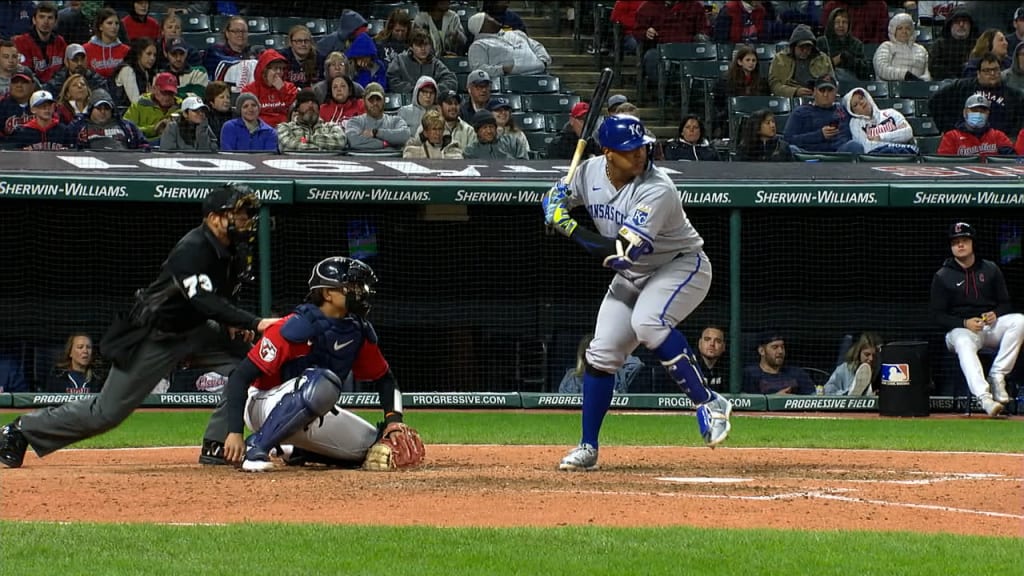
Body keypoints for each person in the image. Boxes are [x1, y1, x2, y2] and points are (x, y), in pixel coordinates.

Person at [0, 184, 280, 469]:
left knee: (249, 364)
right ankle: (21, 431)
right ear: (214, 218)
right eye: (240, 212)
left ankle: (217, 443)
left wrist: (231, 323)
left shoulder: (234, 251)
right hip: (154, 334)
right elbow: (203, 299)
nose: (247, 219)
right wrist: (253, 322)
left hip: (197, 330)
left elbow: (220, 298)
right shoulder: (193, 247)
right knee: (106, 414)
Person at [542, 114, 733, 471]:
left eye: (642, 148)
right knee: (602, 354)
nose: (640, 156)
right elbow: (560, 194)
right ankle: (588, 447)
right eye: (630, 151)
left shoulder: (656, 188)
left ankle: (708, 402)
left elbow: (621, 251)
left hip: (680, 265)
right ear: (608, 153)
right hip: (634, 275)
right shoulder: (587, 172)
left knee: (648, 323)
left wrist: (566, 225)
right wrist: (554, 200)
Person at [210, 256, 411, 471]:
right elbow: (240, 377)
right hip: (263, 404)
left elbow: (385, 379)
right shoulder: (294, 327)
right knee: (322, 382)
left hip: (315, 412)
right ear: (327, 293)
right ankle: (257, 447)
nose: (360, 292)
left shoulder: (357, 331)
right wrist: (234, 432)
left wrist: (393, 420)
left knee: (374, 448)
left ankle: (295, 450)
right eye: (350, 286)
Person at [929, 221, 1022, 417]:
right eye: (955, 242)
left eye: (964, 240)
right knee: (963, 340)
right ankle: (984, 398)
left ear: (972, 243)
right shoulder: (943, 275)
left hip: (988, 327)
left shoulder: (990, 269)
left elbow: (1006, 303)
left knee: (1020, 321)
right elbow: (936, 316)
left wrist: (995, 314)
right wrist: (964, 323)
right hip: (960, 332)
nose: (960, 245)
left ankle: (997, 375)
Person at [929, 52, 1024, 136]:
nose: (992, 73)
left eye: (995, 70)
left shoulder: (1013, 95)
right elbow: (934, 101)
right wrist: (949, 129)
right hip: (966, 142)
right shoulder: (962, 87)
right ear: (978, 73)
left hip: (999, 143)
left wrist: (1013, 136)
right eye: (987, 70)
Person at [783, 75, 863, 154]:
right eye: (822, 90)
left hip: (838, 155)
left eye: (830, 90)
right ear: (814, 92)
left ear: (836, 92)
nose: (825, 95)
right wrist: (819, 135)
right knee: (791, 149)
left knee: (855, 146)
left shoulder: (844, 110)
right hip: (809, 156)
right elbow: (788, 139)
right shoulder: (800, 112)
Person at [466, 12, 551, 77]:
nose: (494, 19)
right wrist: (503, 69)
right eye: (490, 19)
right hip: (512, 80)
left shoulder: (516, 33)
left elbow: (537, 46)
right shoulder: (479, 45)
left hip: (540, 73)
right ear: (482, 26)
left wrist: (544, 61)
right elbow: (479, 70)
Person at [713, 44, 770, 138]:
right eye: (748, 60)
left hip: (755, 118)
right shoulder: (727, 81)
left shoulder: (762, 82)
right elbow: (721, 104)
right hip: (733, 118)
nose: (751, 63)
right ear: (739, 62)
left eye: (753, 60)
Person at [558, 333, 644, 395]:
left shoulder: (617, 374)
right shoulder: (572, 377)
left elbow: (636, 364)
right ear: (584, 355)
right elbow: (565, 404)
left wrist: (614, 352)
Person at [843, 86, 918, 155]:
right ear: (853, 111)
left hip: (903, 155)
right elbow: (866, 148)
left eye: (861, 98)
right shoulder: (855, 123)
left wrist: (880, 138)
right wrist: (897, 138)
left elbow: (908, 133)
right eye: (856, 104)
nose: (861, 102)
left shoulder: (891, 113)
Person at [67, 88, 148, 150]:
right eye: (99, 108)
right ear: (91, 109)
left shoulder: (127, 126)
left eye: (107, 108)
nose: (103, 112)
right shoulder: (78, 127)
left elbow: (144, 146)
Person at [936, 94, 1015, 158]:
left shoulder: (997, 135)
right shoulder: (951, 137)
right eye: (974, 110)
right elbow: (944, 164)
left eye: (983, 111)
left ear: (988, 114)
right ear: (965, 112)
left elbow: (1012, 160)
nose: (979, 114)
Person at [768, 24, 835, 98]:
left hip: (819, 97)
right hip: (791, 98)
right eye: (801, 48)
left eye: (808, 48)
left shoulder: (823, 59)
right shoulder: (780, 59)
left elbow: (832, 82)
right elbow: (774, 86)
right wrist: (795, 91)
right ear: (793, 47)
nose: (805, 51)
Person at [386, 28, 457, 96]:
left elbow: (451, 81)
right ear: (411, 47)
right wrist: (416, 91)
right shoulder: (399, 60)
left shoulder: (435, 63)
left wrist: (433, 90)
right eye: (419, 45)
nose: (423, 49)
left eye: (426, 45)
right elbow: (392, 80)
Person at [741, 332, 816, 395]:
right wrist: (775, 398)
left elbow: (813, 398)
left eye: (782, 347)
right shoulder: (750, 374)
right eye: (775, 347)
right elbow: (749, 404)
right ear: (761, 351)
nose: (780, 351)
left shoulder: (797, 373)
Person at [241, 49, 298, 129]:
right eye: (275, 68)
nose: (279, 72)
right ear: (264, 70)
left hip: (286, 130)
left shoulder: (289, 88)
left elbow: (296, 109)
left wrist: (282, 90)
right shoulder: (250, 90)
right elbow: (247, 114)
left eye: (281, 69)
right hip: (259, 130)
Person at [344, 82, 410, 151]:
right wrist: (386, 143)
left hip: (390, 160)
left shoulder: (396, 120)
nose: (375, 103)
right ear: (364, 101)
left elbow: (405, 135)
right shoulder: (355, 121)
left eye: (378, 99)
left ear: (384, 100)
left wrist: (376, 133)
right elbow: (353, 141)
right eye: (371, 99)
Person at [277, 89, 347, 152]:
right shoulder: (285, 128)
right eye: (305, 101)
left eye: (314, 102)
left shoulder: (331, 127)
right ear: (297, 108)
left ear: (319, 108)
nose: (310, 105)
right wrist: (322, 148)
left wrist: (305, 139)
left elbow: (340, 141)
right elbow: (287, 145)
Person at [14, 1, 67, 85]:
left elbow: (64, 69)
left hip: (57, 88)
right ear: (34, 20)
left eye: (50, 18)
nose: (46, 21)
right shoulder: (21, 42)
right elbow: (25, 73)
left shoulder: (60, 42)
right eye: (41, 17)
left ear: (55, 21)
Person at [816, 7, 871, 83]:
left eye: (844, 22)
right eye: (837, 22)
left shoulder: (856, 44)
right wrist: (834, 61)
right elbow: (816, 68)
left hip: (852, 83)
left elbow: (865, 71)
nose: (841, 25)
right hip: (828, 84)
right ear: (832, 24)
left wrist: (849, 59)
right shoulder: (822, 42)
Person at [872, 12, 932, 82]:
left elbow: (928, 72)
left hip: (918, 88)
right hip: (893, 88)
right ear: (893, 30)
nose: (904, 31)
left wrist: (923, 80)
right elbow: (882, 69)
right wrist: (905, 75)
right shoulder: (886, 46)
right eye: (900, 28)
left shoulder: (921, 50)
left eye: (907, 28)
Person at [123, 71, 181, 141]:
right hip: (145, 147)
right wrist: (154, 129)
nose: (167, 97)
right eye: (164, 93)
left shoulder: (181, 107)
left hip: (174, 147)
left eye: (171, 93)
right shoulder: (139, 104)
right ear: (154, 89)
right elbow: (126, 129)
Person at [929, 7, 979, 81]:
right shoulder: (939, 45)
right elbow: (935, 68)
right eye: (957, 21)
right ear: (950, 25)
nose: (961, 24)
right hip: (946, 84)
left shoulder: (978, 44)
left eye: (965, 21)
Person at [44, 42, 109, 96]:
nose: (79, 63)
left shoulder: (97, 81)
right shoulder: (56, 83)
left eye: (82, 59)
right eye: (75, 60)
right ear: (66, 62)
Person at [83, 8, 131, 81]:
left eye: (117, 23)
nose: (114, 27)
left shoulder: (126, 50)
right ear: (100, 27)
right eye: (109, 23)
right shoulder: (86, 49)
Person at [203, 15, 253, 82]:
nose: (240, 34)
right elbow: (223, 63)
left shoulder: (251, 52)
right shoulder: (214, 51)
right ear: (227, 33)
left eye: (244, 31)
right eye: (236, 31)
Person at [112, 37, 158, 107]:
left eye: (154, 55)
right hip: (123, 113)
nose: (152, 58)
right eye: (148, 54)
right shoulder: (127, 70)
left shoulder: (146, 72)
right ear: (139, 54)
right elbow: (135, 101)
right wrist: (151, 96)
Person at [279, 24, 324, 89]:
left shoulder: (320, 59)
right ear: (291, 43)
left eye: (306, 41)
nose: (303, 44)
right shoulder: (282, 58)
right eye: (299, 41)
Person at [697, 326, 728, 393]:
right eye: (707, 339)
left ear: (723, 347)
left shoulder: (729, 370)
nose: (712, 344)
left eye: (718, 341)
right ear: (700, 344)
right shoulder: (689, 367)